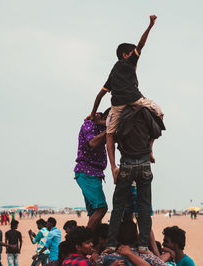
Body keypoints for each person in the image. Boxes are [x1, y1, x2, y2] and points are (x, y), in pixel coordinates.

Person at [89, 15, 163, 182]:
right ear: (125, 55)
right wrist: (150, 26)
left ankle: (114, 167)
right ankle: (150, 149)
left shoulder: (113, 71)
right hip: (136, 99)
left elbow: (100, 94)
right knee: (159, 113)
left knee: (109, 134)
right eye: (132, 53)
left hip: (117, 104)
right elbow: (142, 44)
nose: (135, 56)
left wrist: (92, 113)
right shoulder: (129, 62)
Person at [106, 105, 165, 252]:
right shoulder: (146, 110)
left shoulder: (116, 112)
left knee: (118, 207)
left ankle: (111, 244)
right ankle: (143, 245)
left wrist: (113, 167)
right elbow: (159, 121)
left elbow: (109, 140)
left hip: (126, 164)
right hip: (144, 163)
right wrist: (150, 150)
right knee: (144, 206)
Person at [94, 220, 184, 266]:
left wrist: (104, 252)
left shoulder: (107, 257)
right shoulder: (146, 257)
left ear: (117, 238)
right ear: (136, 239)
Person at [74, 110, 110, 231]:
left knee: (94, 212)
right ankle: (85, 238)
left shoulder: (100, 123)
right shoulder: (90, 124)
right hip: (87, 171)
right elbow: (92, 143)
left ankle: (91, 243)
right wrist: (109, 129)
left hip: (94, 173)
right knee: (101, 208)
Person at [60, 226, 124, 266]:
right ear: (78, 247)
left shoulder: (66, 261)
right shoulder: (84, 263)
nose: (91, 244)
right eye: (88, 243)